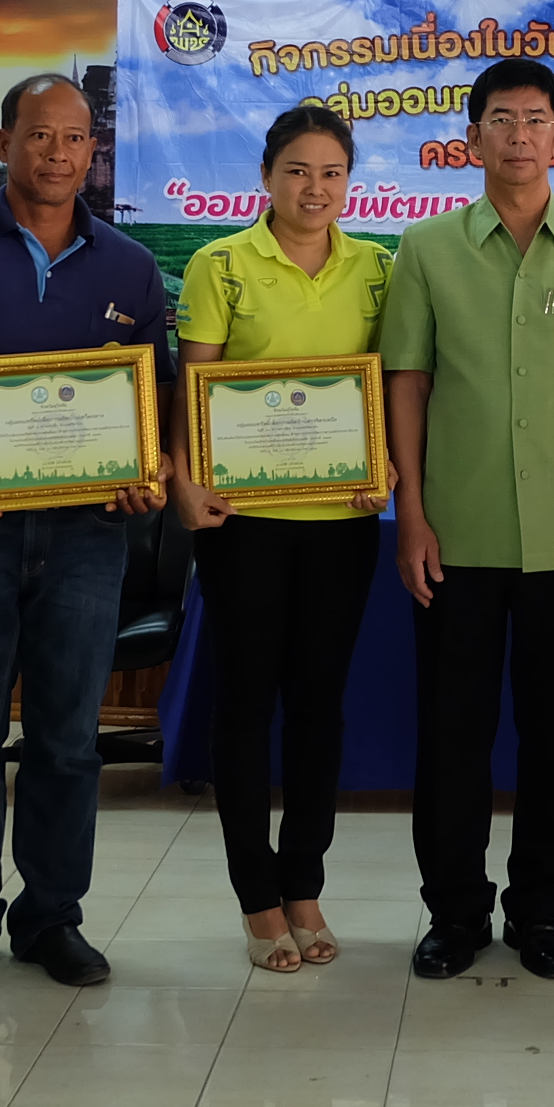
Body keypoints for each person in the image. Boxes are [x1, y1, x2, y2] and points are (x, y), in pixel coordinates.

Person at [0, 72, 174, 994]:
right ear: (4, 142)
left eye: (76, 137)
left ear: (95, 151)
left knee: (66, 741)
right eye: (40, 135)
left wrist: (149, 472)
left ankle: (53, 917)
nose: (59, 153)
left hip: (89, 539)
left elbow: (155, 396)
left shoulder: (129, 266)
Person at [382, 57, 554, 981]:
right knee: (451, 731)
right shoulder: (426, 248)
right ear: (473, 139)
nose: (520, 135)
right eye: (501, 119)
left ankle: (542, 909)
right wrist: (411, 513)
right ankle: (454, 911)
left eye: (537, 119)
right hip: (455, 532)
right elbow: (408, 385)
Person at [171, 103, 392, 972]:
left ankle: (303, 882)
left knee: (318, 707)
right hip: (243, 524)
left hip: (341, 524)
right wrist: (186, 484)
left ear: (350, 181)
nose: (315, 188)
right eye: (298, 171)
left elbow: (389, 388)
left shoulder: (377, 268)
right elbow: (194, 388)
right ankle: (256, 896)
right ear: (266, 177)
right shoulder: (220, 264)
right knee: (245, 704)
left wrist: (384, 463)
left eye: (332, 173)